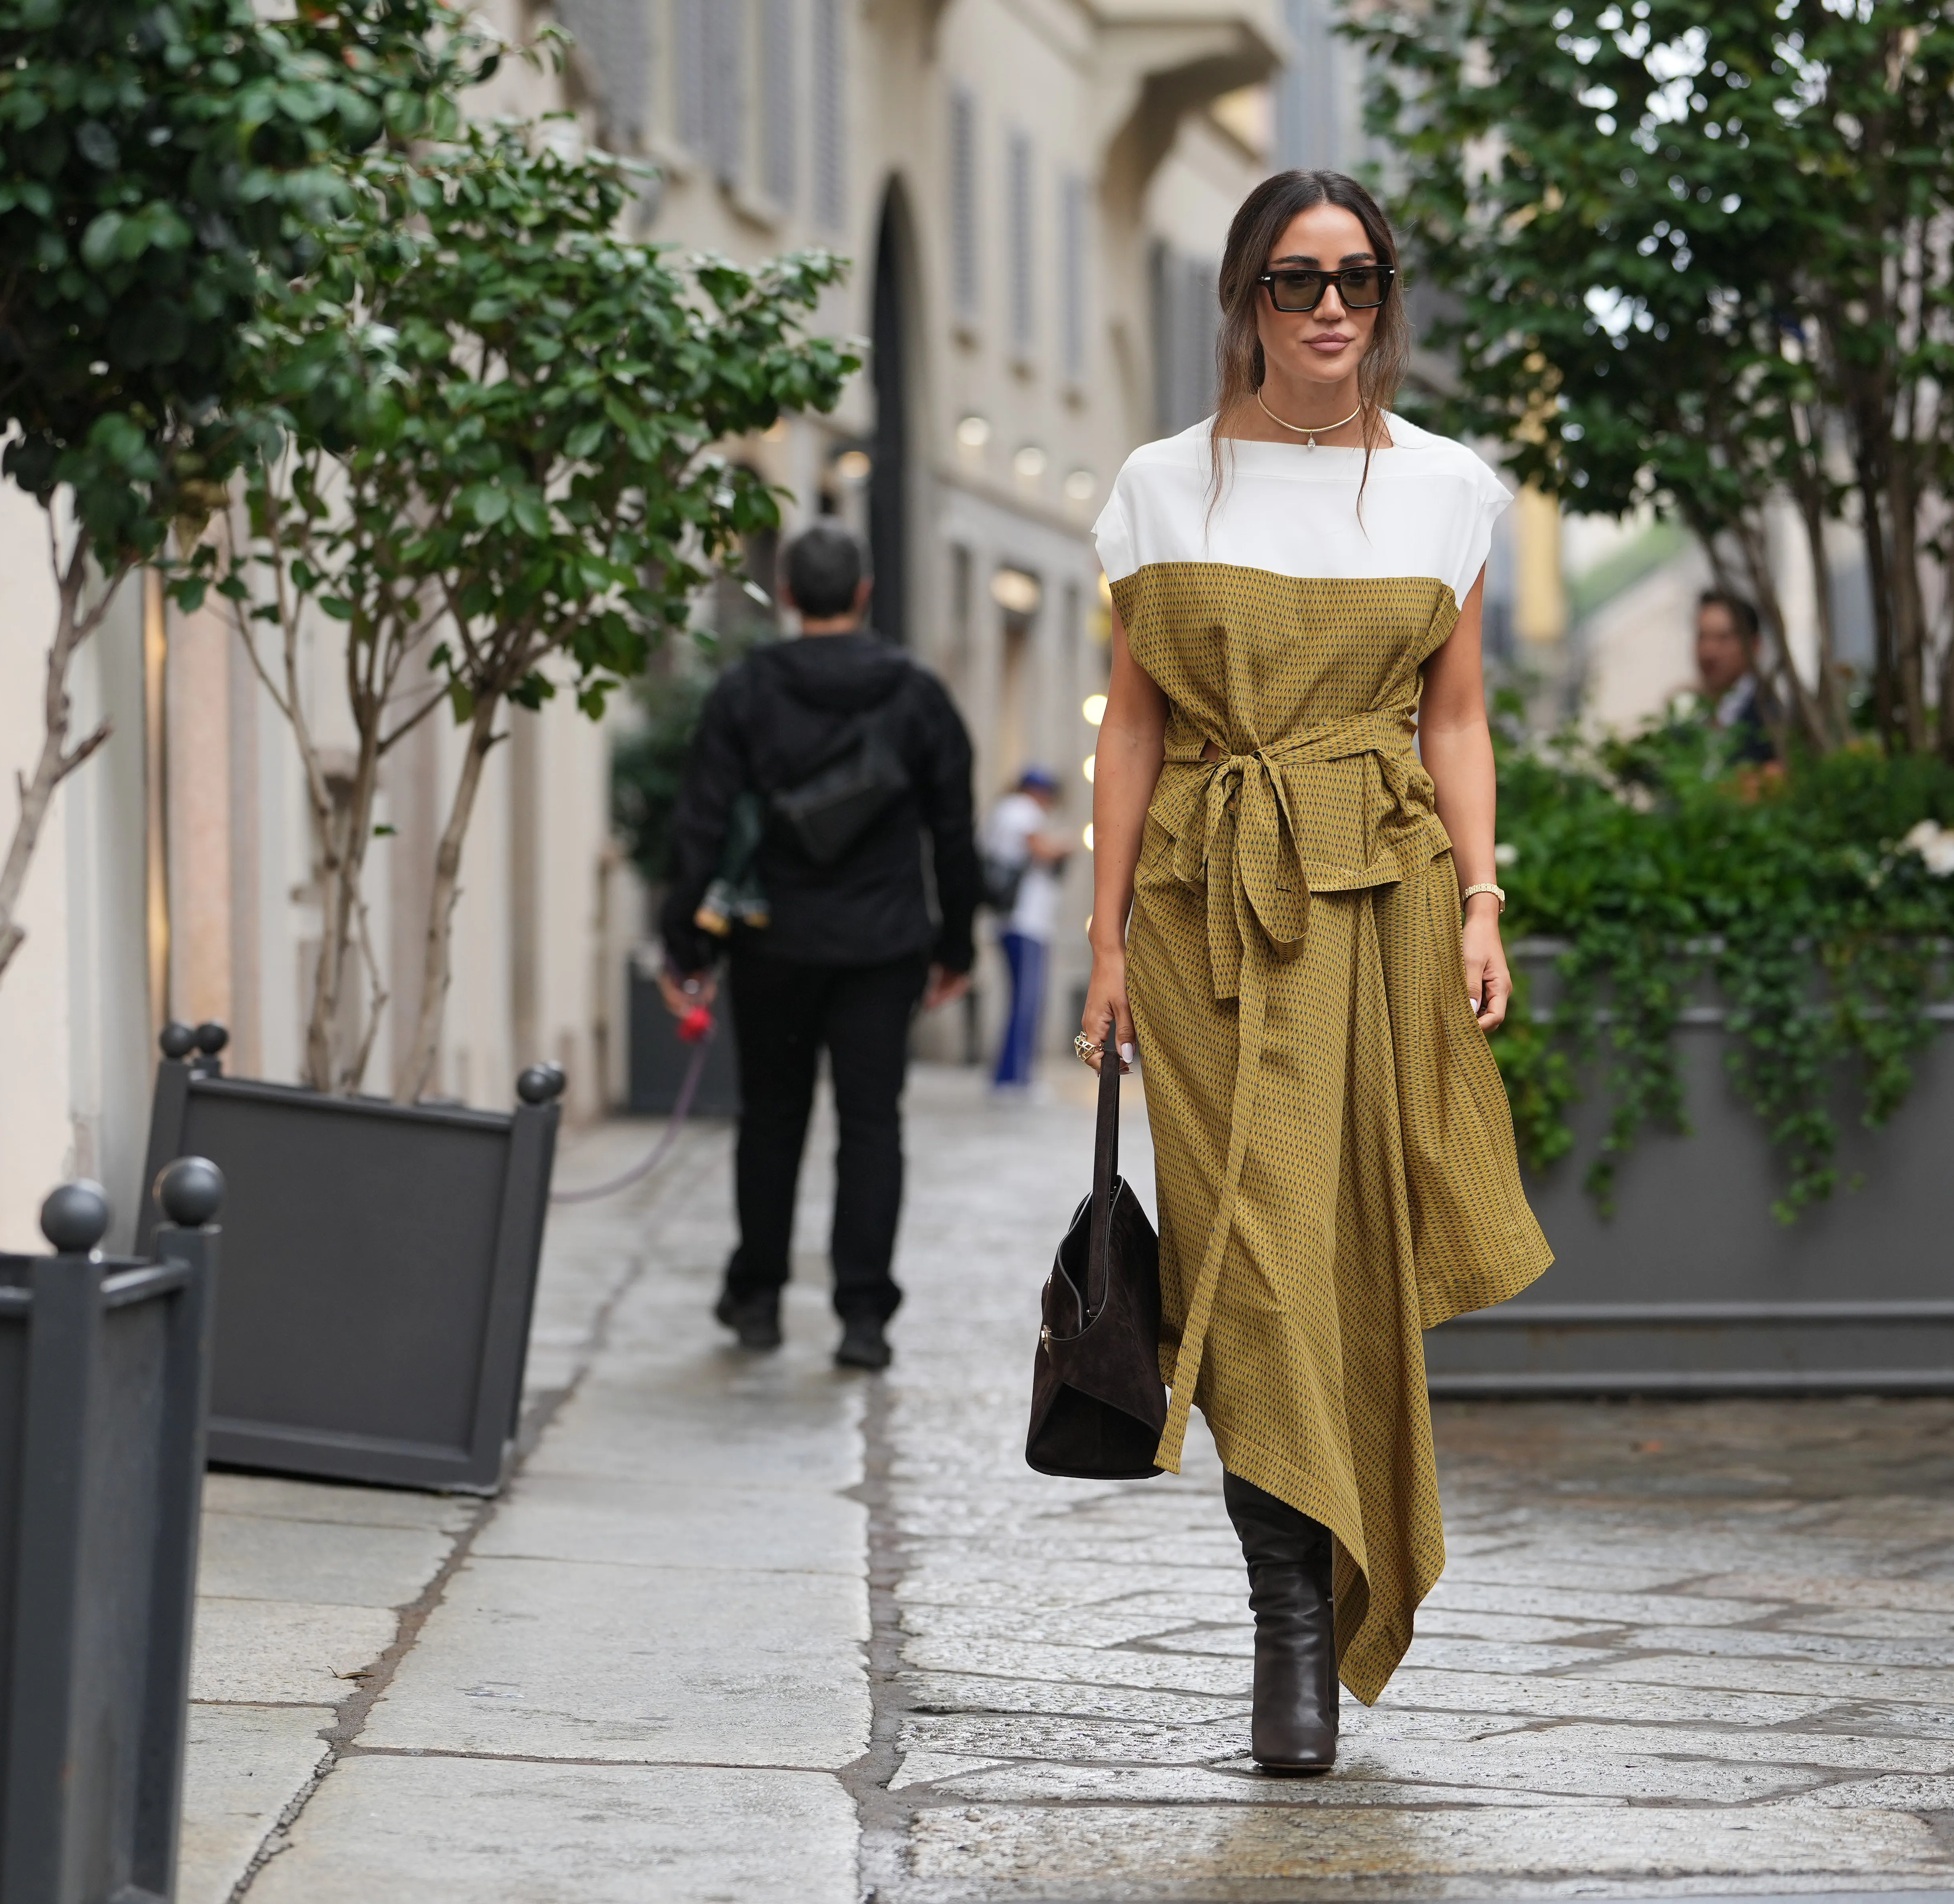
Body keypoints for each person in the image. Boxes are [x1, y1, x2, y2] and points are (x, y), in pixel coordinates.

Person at [1077, 169, 1552, 1775]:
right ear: (1246, 300)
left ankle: (1322, 1590)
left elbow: (1460, 716)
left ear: (1386, 295)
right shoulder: (1160, 486)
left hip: (1378, 902)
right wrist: (1100, 951)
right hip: (1203, 907)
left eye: (1356, 277)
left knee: (1340, 1260)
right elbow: (1134, 722)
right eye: (1296, 280)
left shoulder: (1444, 489)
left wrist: (1483, 902)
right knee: (1250, 1263)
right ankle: (1291, 1617)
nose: (1330, 306)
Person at [659, 521, 980, 1372]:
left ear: (791, 595)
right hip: (883, 945)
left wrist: (682, 944)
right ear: (864, 593)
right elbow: (952, 827)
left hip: (776, 942)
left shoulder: (746, 690)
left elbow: (700, 822)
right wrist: (956, 943)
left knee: (770, 1116)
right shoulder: (917, 694)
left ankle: (758, 1296)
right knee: (872, 1123)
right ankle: (863, 1314)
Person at [980, 766, 1071, 1092]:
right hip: (1025, 922)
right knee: (1026, 1003)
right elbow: (1042, 849)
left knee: (1021, 1001)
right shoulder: (1020, 810)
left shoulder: (1005, 811)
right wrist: (1066, 844)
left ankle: (1008, 1075)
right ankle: (1016, 1078)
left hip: (1016, 923)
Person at [1692, 586, 1779, 766]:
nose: (1708, 651)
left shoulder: (1770, 719)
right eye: (1702, 637)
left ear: (1754, 645)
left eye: (1723, 638)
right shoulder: (1695, 719)